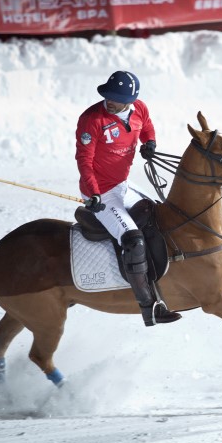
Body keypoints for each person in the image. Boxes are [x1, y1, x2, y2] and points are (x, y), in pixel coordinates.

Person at [75, 70, 181, 326]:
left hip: (123, 185)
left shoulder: (139, 109)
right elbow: (84, 160)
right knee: (133, 241)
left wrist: (150, 142)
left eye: (117, 98)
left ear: (131, 99)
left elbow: (147, 126)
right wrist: (93, 192)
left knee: (158, 218)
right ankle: (149, 307)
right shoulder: (92, 119)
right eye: (108, 96)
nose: (110, 101)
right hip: (101, 193)